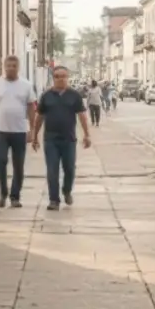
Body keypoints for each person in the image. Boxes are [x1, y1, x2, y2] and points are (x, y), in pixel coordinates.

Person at [32, 66, 91, 211]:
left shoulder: (74, 95)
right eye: (57, 76)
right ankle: (54, 200)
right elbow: (39, 117)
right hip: (51, 140)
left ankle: (66, 190)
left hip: (69, 140)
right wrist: (35, 136)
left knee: (69, 169)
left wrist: (87, 134)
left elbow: (82, 115)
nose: (60, 79)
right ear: (53, 78)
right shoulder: (46, 96)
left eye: (63, 76)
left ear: (68, 77)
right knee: (52, 170)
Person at [0, 55, 37, 208]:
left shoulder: (26, 85)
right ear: (4, 67)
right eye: (8, 66)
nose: (11, 68)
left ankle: (15, 196)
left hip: (20, 131)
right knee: (0, 161)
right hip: (1, 131)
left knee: (18, 165)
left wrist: (32, 130)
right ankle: (3, 193)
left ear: (18, 67)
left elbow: (31, 108)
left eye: (14, 66)